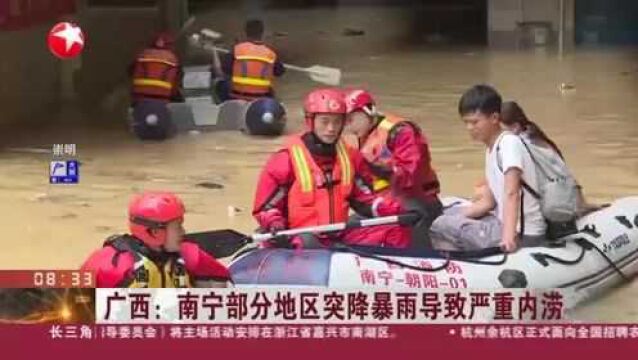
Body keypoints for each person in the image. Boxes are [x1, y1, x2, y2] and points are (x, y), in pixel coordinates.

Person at [252, 88, 409, 248]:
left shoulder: (351, 157)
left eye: (337, 122)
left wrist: (399, 209)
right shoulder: (286, 159)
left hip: (339, 236)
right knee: (307, 243)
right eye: (325, 121)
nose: (331, 129)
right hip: (298, 237)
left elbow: (366, 199)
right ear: (310, 121)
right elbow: (266, 207)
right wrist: (275, 224)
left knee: (395, 230)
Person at [343, 89, 442, 248]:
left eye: (351, 119)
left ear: (368, 111)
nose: (348, 127)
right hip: (387, 202)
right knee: (350, 226)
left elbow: (410, 173)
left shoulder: (400, 131)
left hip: (417, 202)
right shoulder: (365, 136)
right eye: (345, 121)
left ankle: (424, 258)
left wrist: (375, 168)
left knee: (411, 220)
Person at [457, 85, 547, 253]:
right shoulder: (491, 149)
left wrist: (508, 237)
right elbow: (490, 201)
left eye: (474, 122)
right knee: (447, 222)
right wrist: (457, 215)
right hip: (506, 225)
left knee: (442, 228)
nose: (469, 128)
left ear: (494, 118)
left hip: (525, 233)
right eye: (466, 122)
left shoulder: (509, 144)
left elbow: (512, 193)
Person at [81, 192, 231, 288]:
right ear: (155, 232)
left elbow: (225, 285)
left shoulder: (190, 255)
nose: (183, 232)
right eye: (178, 227)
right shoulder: (111, 266)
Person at [500, 101, 597, 215]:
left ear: (515, 127)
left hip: (555, 202)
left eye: (502, 130)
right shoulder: (534, 135)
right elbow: (562, 170)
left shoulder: (522, 144)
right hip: (568, 194)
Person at [130, 32, 184, 140]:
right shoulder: (173, 59)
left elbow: (130, 72)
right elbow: (176, 82)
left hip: (139, 99)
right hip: (162, 100)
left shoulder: (142, 54)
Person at [214, 19, 285, 102]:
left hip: (237, 96)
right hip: (262, 97)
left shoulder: (237, 49)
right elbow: (280, 72)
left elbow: (224, 69)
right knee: (274, 92)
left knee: (220, 82)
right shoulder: (270, 53)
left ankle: (224, 108)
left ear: (246, 33)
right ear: (262, 33)